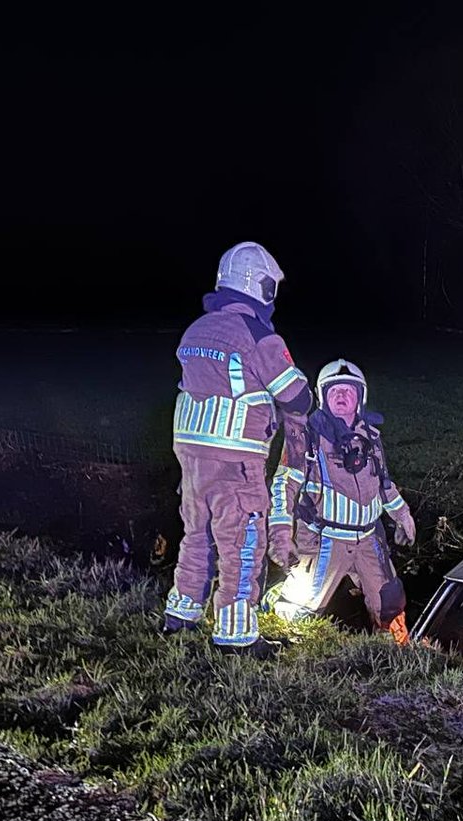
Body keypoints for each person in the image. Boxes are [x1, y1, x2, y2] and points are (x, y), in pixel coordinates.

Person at [162, 241, 312, 658]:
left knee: (196, 535)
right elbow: (295, 395)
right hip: (236, 461)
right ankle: (236, 636)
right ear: (261, 287)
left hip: (191, 457)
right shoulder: (258, 334)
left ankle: (182, 612)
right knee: (243, 544)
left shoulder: (197, 329)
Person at [267, 359, 416, 637]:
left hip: (369, 540)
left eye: (349, 390)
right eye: (334, 391)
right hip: (325, 539)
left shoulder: (370, 437)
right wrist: (280, 533)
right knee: (301, 606)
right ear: (322, 396)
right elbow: (283, 484)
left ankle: (395, 654)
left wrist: (403, 515)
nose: (342, 396)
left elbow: (383, 483)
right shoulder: (306, 437)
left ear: (361, 397)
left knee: (390, 604)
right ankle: (287, 646)